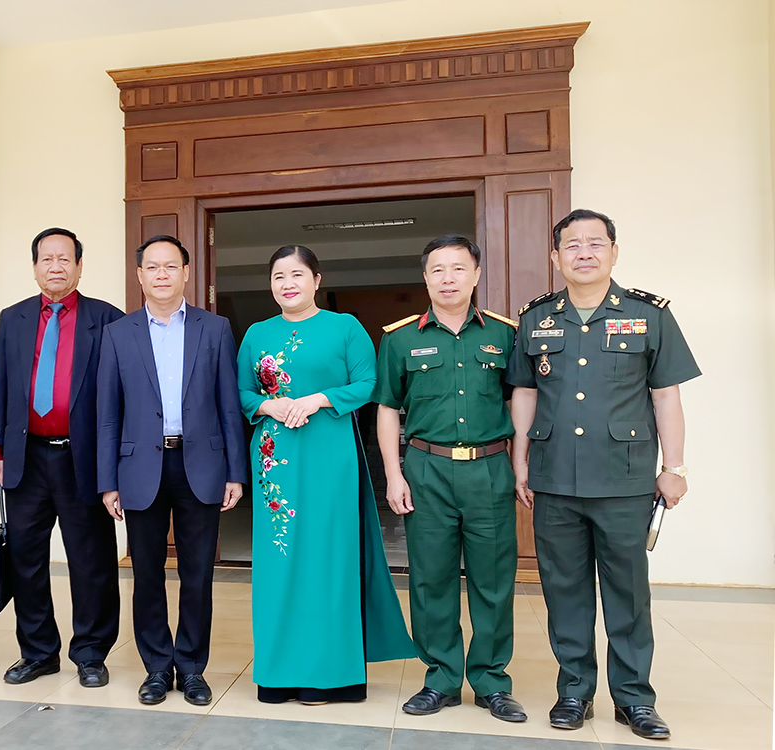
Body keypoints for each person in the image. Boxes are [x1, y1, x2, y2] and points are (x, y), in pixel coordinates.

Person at [507, 209, 699, 741]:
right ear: (555, 257)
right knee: (564, 591)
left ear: (614, 251)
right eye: (572, 245)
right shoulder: (536, 319)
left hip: (625, 479)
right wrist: (520, 458)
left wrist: (675, 467)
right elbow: (524, 392)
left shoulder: (648, 314)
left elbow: (666, 395)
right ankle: (574, 693)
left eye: (596, 243)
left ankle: (634, 699)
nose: (584, 252)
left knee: (627, 593)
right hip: (554, 480)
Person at [238, 245, 414, 705]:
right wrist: (267, 404)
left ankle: (331, 675)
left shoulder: (345, 327)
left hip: (330, 454)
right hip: (275, 460)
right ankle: (278, 674)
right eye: (278, 276)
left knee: (329, 560)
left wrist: (317, 400)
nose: (287, 283)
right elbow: (239, 391)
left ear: (317, 280)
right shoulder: (257, 334)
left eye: (297, 274)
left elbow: (367, 383)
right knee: (280, 564)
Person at [374, 235, 525, 722]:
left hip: (489, 468)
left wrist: (519, 464)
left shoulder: (504, 335)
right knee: (431, 578)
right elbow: (387, 408)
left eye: (458, 269)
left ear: (476, 275)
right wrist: (394, 475)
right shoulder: (400, 338)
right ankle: (440, 677)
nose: (448, 278)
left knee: (495, 581)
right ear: (425, 278)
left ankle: (491, 682)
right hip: (426, 469)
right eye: (437, 270)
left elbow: (520, 401)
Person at [97, 234, 247, 707]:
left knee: (198, 573)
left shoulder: (215, 328)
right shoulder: (118, 333)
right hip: (140, 467)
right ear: (139, 276)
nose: (162, 275)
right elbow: (107, 413)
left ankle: (192, 666)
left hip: (199, 464)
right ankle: (157, 667)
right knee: (146, 573)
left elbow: (229, 405)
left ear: (186, 272)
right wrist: (107, 481)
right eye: (152, 267)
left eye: (171, 266)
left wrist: (235, 472)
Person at [0, 227, 123, 688]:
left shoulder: (108, 320)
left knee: (91, 560)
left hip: (83, 460)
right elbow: (1, 389)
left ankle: (91, 652)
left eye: (64, 258)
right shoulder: (13, 318)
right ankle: (39, 652)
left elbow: (118, 397)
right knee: (26, 560)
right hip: (25, 458)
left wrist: (113, 465)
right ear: (35, 265)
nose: (55, 266)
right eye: (46, 258)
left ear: (79, 266)